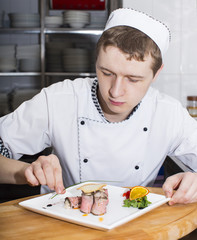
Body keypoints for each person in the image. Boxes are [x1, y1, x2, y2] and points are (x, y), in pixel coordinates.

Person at [0, 8, 197, 205]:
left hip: (135, 226)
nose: (115, 91)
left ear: (156, 74)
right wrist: (26, 171)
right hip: (62, 222)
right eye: (107, 73)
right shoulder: (59, 99)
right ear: (96, 62)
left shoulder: (168, 113)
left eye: (133, 79)